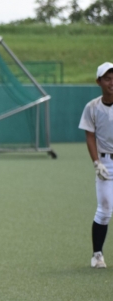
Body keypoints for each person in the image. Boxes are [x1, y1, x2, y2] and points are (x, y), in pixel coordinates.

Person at [79, 62, 113, 269]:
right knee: (105, 207)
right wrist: (96, 163)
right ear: (98, 81)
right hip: (106, 162)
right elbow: (90, 136)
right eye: (107, 79)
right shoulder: (92, 107)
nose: (112, 82)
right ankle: (97, 254)